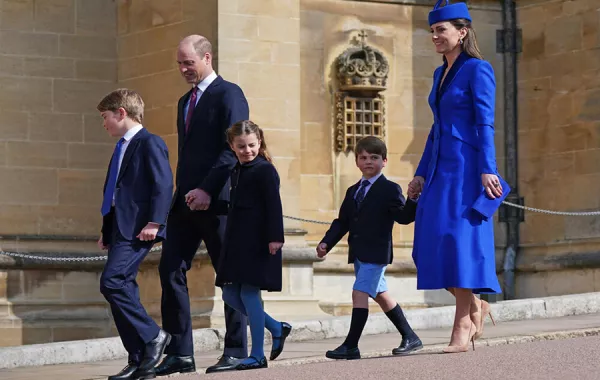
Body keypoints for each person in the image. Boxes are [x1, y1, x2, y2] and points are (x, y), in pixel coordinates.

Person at [407, 0, 503, 354]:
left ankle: (463, 321)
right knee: (427, 245)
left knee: (459, 244)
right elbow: (436, 128)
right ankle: (477, 304)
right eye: (432, 30)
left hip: (467, 168)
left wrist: (488, 168)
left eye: (441, 30)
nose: (435, 36)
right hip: (438, 169)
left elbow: (485, 123)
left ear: (462, 32)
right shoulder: (438, 74)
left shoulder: (478, 69)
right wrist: (419, 173)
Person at [155, 35, 250, 375]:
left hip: (220, 201)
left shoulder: (230, 93)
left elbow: (233, 148)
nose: (183, 69)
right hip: (185, 203)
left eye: (188, 63)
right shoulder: (184, 101)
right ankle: (181, 353)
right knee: (169, 270)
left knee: (230, 277)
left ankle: (237, 351)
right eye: (179, 63)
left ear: (206, 58)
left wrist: (208, 189)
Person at [317, 136, 422, 360]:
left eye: (374, 157)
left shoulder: (389, 189)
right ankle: (410, 337)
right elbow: (342, 222)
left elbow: (403, 218)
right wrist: (327, 242)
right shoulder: (353, 190)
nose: (368, 162)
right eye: (363, 157)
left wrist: (412, 200)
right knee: (381, 295)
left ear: (384, 161)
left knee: (359, 293)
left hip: (376, 253)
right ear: (356, 161)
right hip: (358, 253)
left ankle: (351, 345)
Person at [97, 89, 174, 380]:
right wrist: (106, 231)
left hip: (140, 229)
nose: (103, 123)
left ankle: (154, 336)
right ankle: (140, 360)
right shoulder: (121, 147)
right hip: (120, 229)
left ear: (121, 113)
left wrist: (155, 222)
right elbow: (114, 193)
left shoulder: (149, 142)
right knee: (123, 288)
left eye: (105, 117)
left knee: (112, 282)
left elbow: (163, 185)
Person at [214, 120, 292, 370]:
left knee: (249, 294)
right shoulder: (236, 170)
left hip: (259, 241)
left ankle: (258, 354)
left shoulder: (264, 170)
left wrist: (275, 238)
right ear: (232, 146)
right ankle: (276, 327)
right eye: (241, 146)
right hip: (237, 241)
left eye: (251, 145)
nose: (247, 150)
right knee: (229, 294)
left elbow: (273, 205)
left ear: (259, 142)